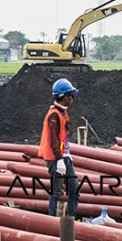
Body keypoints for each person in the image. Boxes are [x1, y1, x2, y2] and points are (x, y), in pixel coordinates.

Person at [37, 78, 80, 217]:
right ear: (64, 97)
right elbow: (54, 139)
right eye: (70, 96)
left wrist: (67, 153)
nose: (72, 99)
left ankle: (71, 221)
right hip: (56, 159)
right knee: (57, 193)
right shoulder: (54, 115)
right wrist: (60, 159)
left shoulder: (62, 112)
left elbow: (63, 138)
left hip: (63, 157)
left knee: (74, 189)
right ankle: (52, 223)